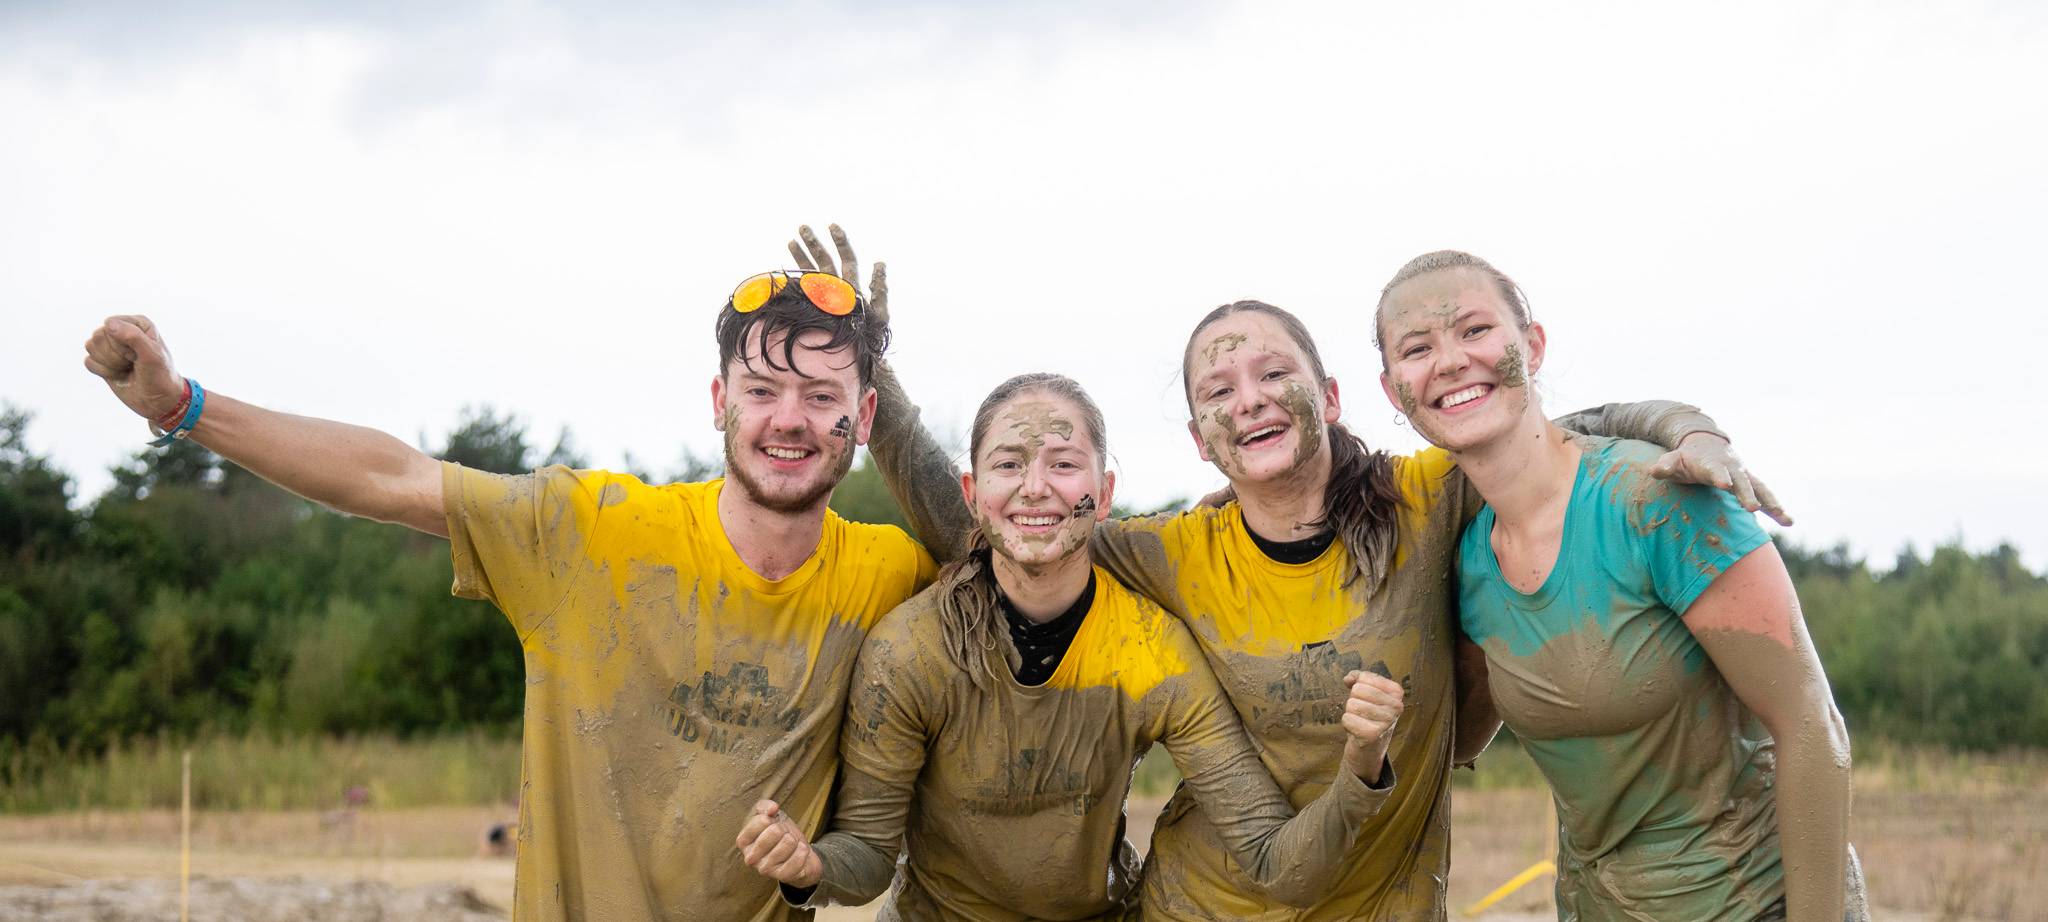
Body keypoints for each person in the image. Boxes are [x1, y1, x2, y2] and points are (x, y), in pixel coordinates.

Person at [812, 225, 1782, 920]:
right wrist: (875, 375)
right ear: (1198, 438)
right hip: (1199, 903)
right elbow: (983, 523)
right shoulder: (1168, 553)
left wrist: (1686, 431)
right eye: (1218, 389)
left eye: (1273, 373)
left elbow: (1555, 428)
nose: (1251, 398)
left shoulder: (1427, 495)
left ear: (1326, 392)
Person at [79, 262, 937, 922]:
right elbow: (392, 478)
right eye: (762, 390)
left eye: (821, 396)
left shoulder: (890, 575)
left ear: (863, 422)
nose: (787, 418)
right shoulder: (593, 531)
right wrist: (180, 405)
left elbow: (1028, 555)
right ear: (720, 402)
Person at [737, 372, 1407, 921]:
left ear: (1104, 492)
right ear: (972, 494)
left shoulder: (1153, 651)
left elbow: (1268, 858)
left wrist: (1362, 766)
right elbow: (867, 859)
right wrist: (811, 866)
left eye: (1063, 464)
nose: (1035, 488)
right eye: (1008, 465)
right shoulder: (912, 650)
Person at [1373, 250, 1865, 922]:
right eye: (1417, 348)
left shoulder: (1657, 501)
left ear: (1533, 346)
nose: (1451, 360)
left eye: (1475, 331)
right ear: (1393, 388)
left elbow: (1812, 725)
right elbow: (1454, 741)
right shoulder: (1468, 565)